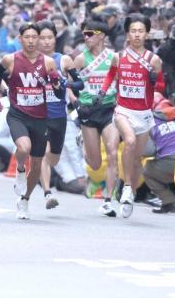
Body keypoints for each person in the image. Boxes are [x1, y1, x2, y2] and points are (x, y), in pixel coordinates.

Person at [0, 23, 62, 220]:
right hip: (18, 114)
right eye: (27, 37)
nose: (31, 41)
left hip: (40, 117)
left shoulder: (48, 62)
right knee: (24, 148)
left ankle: (25, 200)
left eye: (35, 37)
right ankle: (20, 168)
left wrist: (56, 83)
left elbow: (56, 90)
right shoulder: (10, 59)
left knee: (38, 165)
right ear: (20, 39)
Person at [99, 13, 165, 218]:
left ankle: (131, 193)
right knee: (128, 141)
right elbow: (111, 74)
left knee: (137, 159)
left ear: (147, 34)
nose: (137, 35)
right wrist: (102, 91)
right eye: (133, 31)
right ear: (128, 34)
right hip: (123, 110)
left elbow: (162, 86)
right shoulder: (119, 57)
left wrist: (154, 81)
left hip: (143, 113)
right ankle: (126, 186)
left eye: (141, 31)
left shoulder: (154, 60)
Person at [69, 19, 120, 217]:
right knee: (96, 164)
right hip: (88, 111)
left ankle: (108, 200)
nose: (86, 37)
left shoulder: (113, 57)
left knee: (113, 152)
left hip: (108, 109)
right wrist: (76, 103)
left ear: (101, 35)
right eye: (84, 34)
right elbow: (70, 88)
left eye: (90, 33)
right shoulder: (80, 59)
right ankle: (82, 141)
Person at [37, 20, 81, 211]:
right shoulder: (29, 61)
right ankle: (47, 193)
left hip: (58, 116)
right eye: (42, 38)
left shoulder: (64, 60)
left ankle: (44, 177)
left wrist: (66, 85)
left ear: (55, 39)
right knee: (43, 154)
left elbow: (80, 85)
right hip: (37, 115)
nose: (46, 42)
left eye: (49, 38)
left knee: (53, 157)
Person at [144, 94, 175, 213]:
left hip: (172, 162)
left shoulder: (151, 123)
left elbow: (148, 151)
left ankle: (169, 202)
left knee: (147, 170)